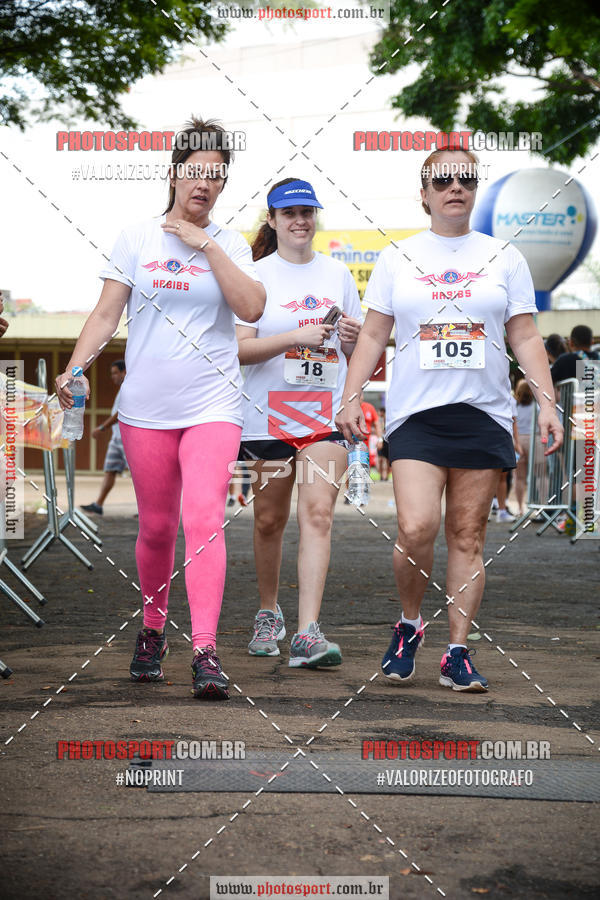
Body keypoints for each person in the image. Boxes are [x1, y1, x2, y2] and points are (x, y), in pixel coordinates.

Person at [336, 148, 563, 693]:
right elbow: (372, 334)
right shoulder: (398, 258)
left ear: (475, 189)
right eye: (442, 179)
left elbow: (525, 335)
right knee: (417, 527)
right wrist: (350, 394)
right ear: (424, 192)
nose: (454, 186)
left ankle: (456, 651)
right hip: (417, 414)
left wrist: (549, 401)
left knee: (468, 534)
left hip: (483, 414)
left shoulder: (504, 257)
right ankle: (410, 624)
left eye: (465, 178)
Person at [56, 117, 265, 701]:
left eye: (216, 175)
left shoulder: (231, 242)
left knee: (202, 519)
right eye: (195, 171)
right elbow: (105, 315)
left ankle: (205, 649)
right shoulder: (136, 238)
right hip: (146, 405)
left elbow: (251, 307)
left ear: (223, 184)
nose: (204, 183)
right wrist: (75, 367)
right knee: (155, 528)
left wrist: (208, 247)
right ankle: (152, 630)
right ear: (174, 174)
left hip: (213, 403)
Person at [236, 178, 362, 667]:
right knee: (268, 521)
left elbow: (358, 351)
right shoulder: (255, 276)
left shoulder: (338, 275)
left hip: (321, 417)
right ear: (271, 220)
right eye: (288, 213)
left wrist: (350, 338)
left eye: (307, 211)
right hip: (265, 418)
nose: (299, 220)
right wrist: (295, 336)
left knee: (318, 516)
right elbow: (239, 351)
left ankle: (308, 631)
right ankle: (268, 611)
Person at [82, 360, 128, 515]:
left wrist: (102, 428)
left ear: (124, 372)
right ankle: (98, 504)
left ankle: (147, 509)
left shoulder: (129, 387)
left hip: (127, 438)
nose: (112, 377)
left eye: (115, 373)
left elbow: (120, 413)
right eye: (112, 373)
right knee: (110, 470)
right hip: (117, 437)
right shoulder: (122, 389)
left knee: (139, 474)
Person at [514, 379, 534, 515]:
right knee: (540, 475)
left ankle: (520, 507)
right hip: (535, 439)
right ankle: (539, 507)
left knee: (519, 477)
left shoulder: (514, 407)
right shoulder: (537, 407)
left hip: (518, 440)